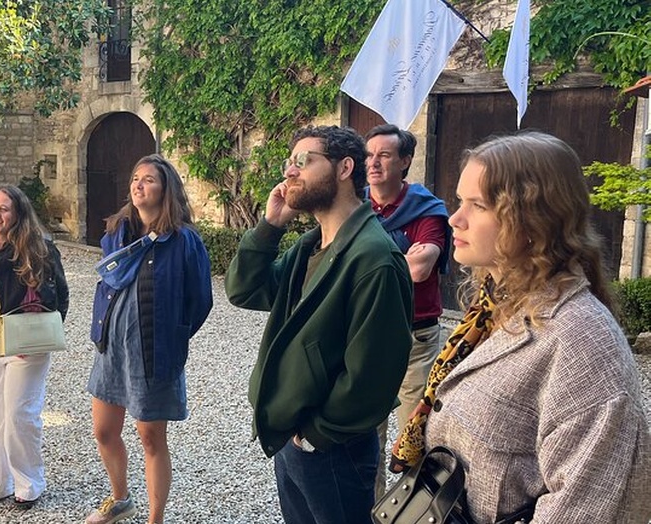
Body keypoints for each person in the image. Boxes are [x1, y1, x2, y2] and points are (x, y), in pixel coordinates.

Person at [389, 131, 651, 522]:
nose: (454, 219)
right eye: (460, 200)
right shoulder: (495, 306)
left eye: (477, 205)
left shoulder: (581, 342)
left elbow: (585, 508)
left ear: (533, 220)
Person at [225, 125, 413, 524]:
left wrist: (315, 435)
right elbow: (244, 290)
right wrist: (270, 226)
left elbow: (372, 376)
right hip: (293, 438)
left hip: (332, 449)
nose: (290, 172)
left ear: (345, 168)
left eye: (303, 161)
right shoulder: (310, 247)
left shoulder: (374, 258)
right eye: (289, 163)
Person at [85, 154, 213, 524]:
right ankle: (121, 499)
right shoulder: (117, 233)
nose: (139, 185)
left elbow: (200, 301)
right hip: (111, 349)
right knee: (104, 431)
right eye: (135, 178)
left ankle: (154, 519)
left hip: (154, 354)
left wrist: (173, 337)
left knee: (151, 440)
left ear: (166, 188)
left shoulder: (184, 241)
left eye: (149, 180)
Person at [0, 183, 69, 510]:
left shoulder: (38, 248)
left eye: (4, 208)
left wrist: (36, 325)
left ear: (18, 214)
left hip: (26, 344)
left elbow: (59, 296)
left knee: (20, 414)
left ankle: (30, 481)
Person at [363, 124, 451, 497]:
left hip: (416, 337)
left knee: (413, 434)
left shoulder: (426, 209)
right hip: (365, 336)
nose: (374, 163)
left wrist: (365, 263)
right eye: (369, 155)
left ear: (405, 162)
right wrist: (398, 256)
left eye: (384, 155)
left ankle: (411, 513)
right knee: (366, 434)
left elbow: (420, 270)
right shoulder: (356, 206)